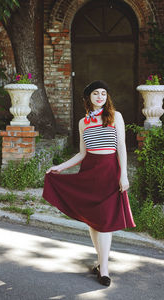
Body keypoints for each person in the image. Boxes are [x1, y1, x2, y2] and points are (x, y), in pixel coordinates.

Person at [42, 80, 136, 287]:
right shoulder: (83, 122)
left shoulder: (115, 116)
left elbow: (121, 146)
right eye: (95, 93)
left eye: (103, 93)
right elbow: (82, 153)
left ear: (107, 97)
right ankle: (100, 262)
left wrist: (124, 175)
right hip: (90, 172)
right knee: (94, 221)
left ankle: (103, 269)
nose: (100, 97)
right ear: (89, 98)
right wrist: (60, 167)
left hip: (110, 172)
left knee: (104, 223)